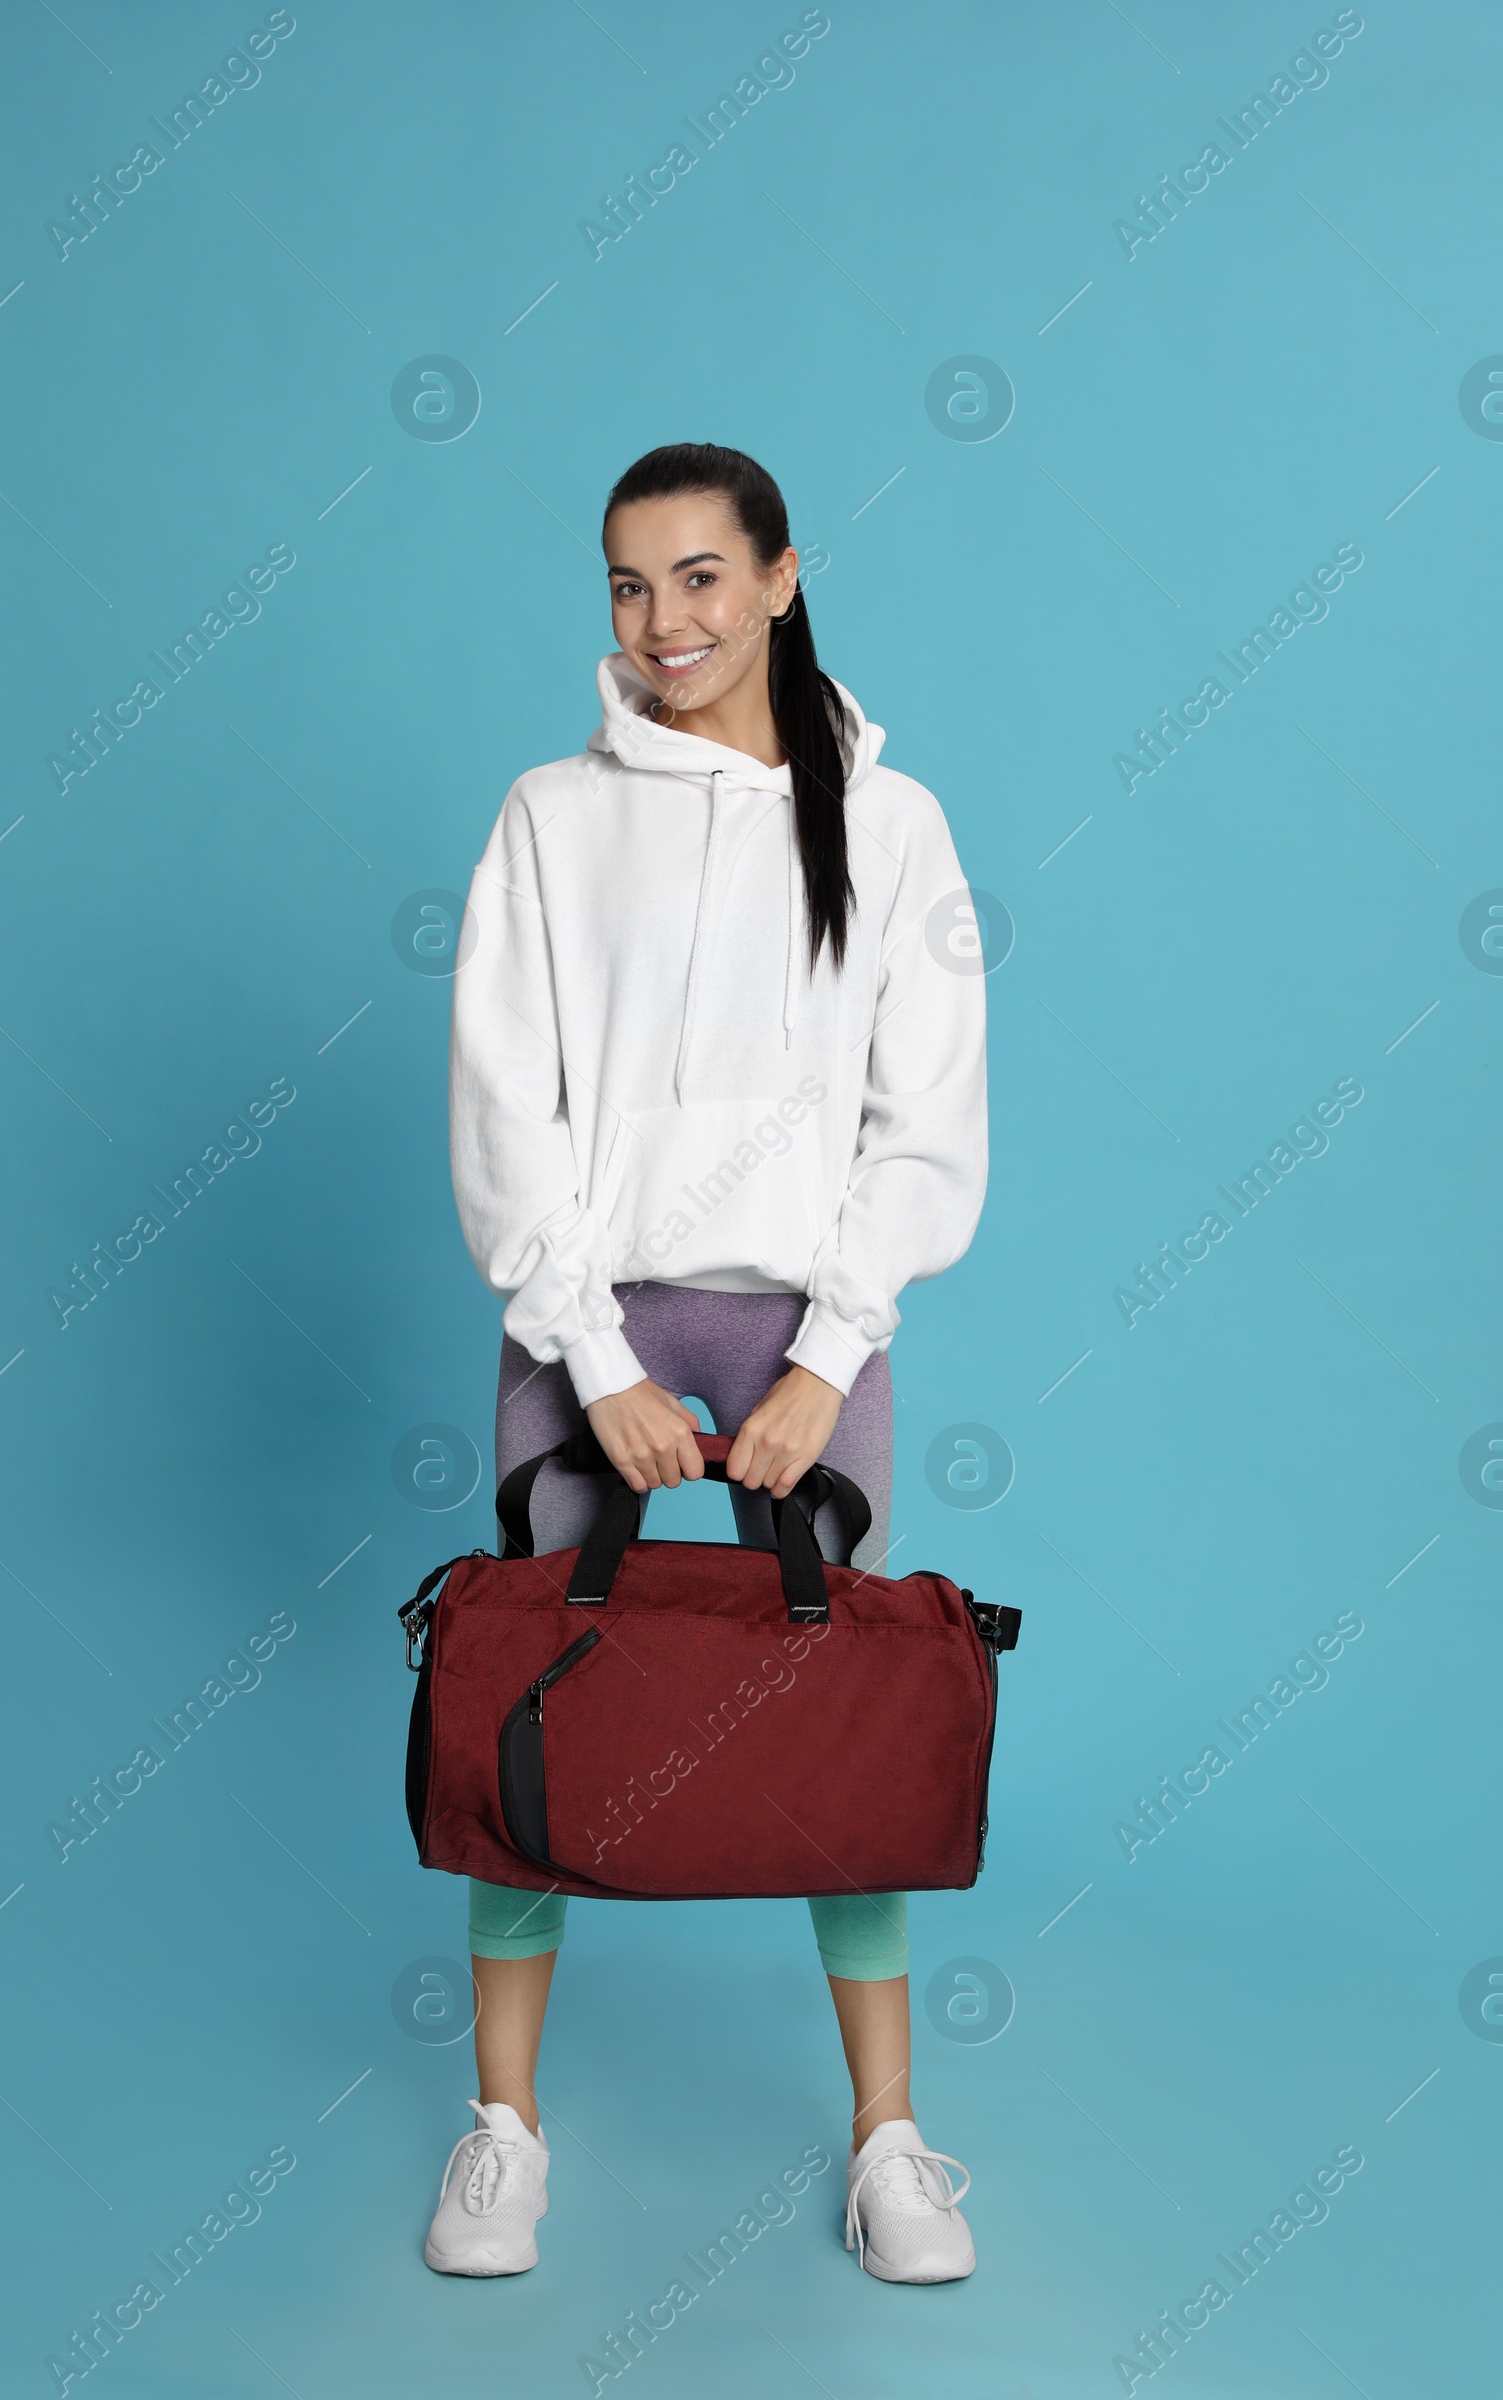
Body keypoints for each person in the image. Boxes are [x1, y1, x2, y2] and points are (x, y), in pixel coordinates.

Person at [429, 443, 989, 2283]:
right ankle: (503, 2128)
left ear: (777, 577)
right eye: (622, 585)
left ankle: (891, 2142)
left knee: (844, 1706)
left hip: (802, 1325)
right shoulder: (546, 814)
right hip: (588, 1312)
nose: (658, 621)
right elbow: (508, 1106)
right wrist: (590, 1357)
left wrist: (831, 1356)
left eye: (693, 577)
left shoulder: (892, 827)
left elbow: (929, 1119)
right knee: (537, 1669)